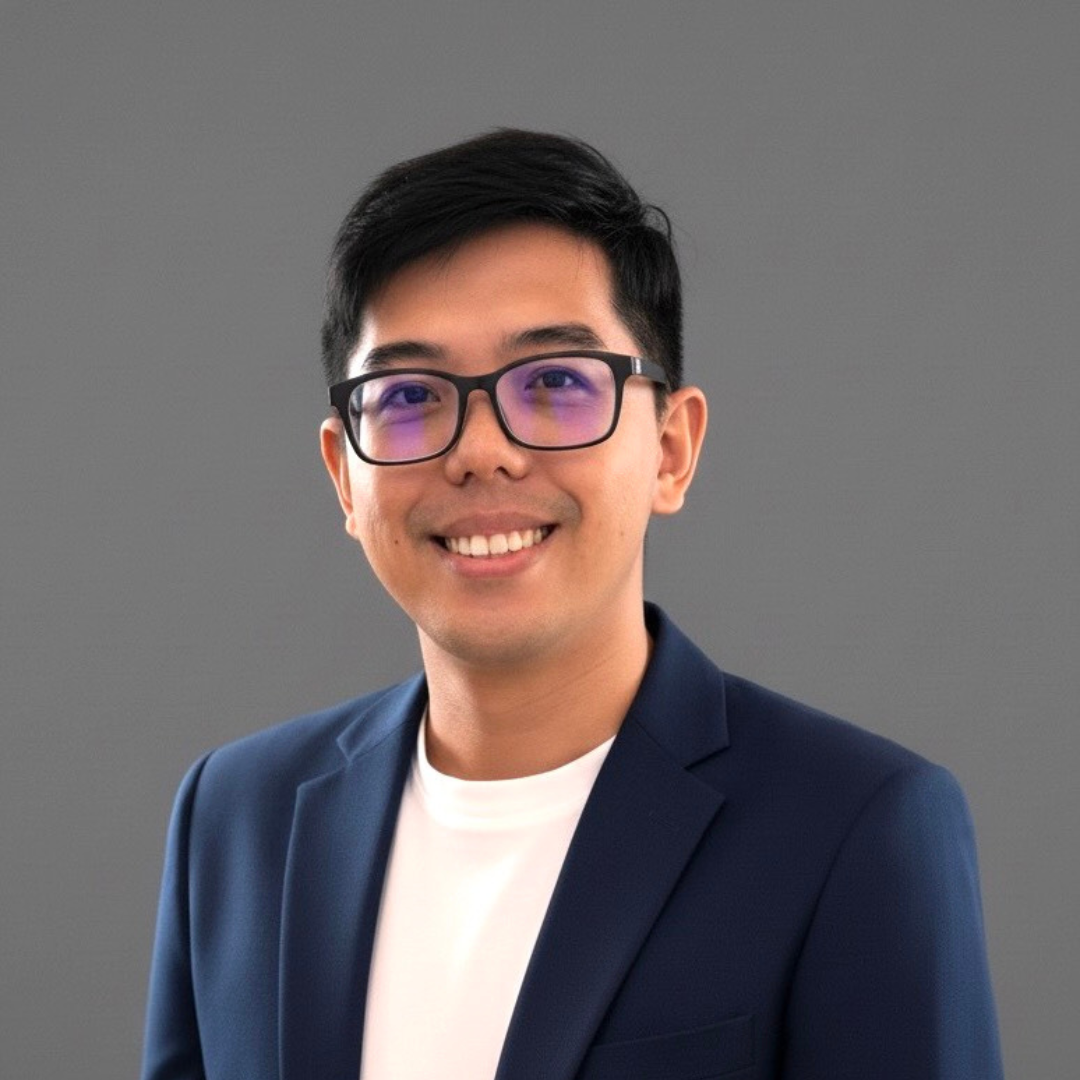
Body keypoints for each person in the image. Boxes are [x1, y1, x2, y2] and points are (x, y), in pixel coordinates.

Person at [141, 129, 1003, 1080]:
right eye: (410, 395)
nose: (481, 452)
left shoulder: (855, 827)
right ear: (344, 476)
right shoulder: (236, 817)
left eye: (555, 382)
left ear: (671, 449)